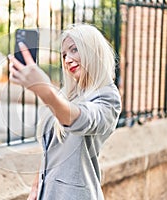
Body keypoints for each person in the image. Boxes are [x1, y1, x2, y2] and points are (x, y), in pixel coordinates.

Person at [8, 24, 121, 200]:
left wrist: (44, 90)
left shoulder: (108, 96)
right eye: (64, 55)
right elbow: (52, 149)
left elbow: (83, 119)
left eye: (74, 50)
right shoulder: (69, 95)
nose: (67, 59)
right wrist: (35, 188)